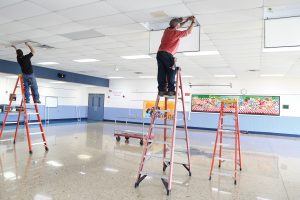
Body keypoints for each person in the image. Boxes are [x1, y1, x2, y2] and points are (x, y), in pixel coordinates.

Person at [157, 16, 196, 96]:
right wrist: (193, 22)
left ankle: (161, 90)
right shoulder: (176, 33)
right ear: (177, 26)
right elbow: (188, 31)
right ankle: (171, 91)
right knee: (171, 71)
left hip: (159, 54)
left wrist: (186, 20)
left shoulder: (167, 30)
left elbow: (177, 25)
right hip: (167, 54)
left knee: (162, 72)